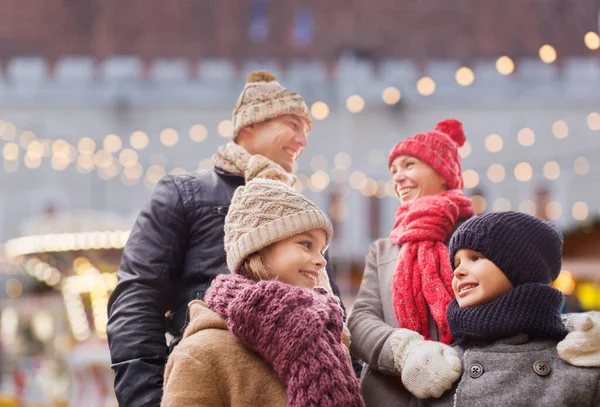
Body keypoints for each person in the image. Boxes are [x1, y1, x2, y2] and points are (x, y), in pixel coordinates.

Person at [106, 70, 344, 407]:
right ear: (250, 125)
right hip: (214, 386)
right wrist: (148, 400)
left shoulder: (303, 216)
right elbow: (137, 299)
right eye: (292, 125)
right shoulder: (185, 194)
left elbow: (333, 310)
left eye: (306, 131)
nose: (302, 140)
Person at [348, 119, 600, 406]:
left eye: (409, 165)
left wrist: (569, 327)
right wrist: (406, 352)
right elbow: (361, 319)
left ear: (443, 172)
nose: (398, 177)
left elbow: (518, 304)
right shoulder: (384, 249)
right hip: (391, 393)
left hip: (468, 382)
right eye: (394, 170)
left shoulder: (480, 235)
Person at [161, 177, 364, 407]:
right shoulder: (201, 353)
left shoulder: (330, 336)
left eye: (322, 250)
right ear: (259, 247)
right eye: (306, 244)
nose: (321, 261)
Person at [416, 211, 600, 406]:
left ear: (523, 267)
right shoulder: (442, 368)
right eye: (456, 264)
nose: (459, 271)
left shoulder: (580, 360)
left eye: (476, 257)